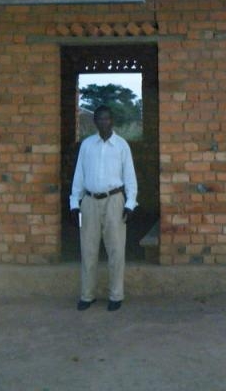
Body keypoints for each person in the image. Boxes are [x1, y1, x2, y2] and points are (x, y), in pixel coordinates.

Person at [69, 105, 137, 312]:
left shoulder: (121, 146)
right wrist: (74, 202)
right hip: (89, 201)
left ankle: (116, 295)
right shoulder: (87, 145)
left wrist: (130, 203)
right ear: (95, 122)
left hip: (114, 200)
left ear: (112, 121)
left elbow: (130, 177)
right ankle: (87, 295)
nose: (103, 122)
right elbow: (79, 174)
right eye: (99, 119)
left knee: (115, 250)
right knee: (88, 249)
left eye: (106, 119)